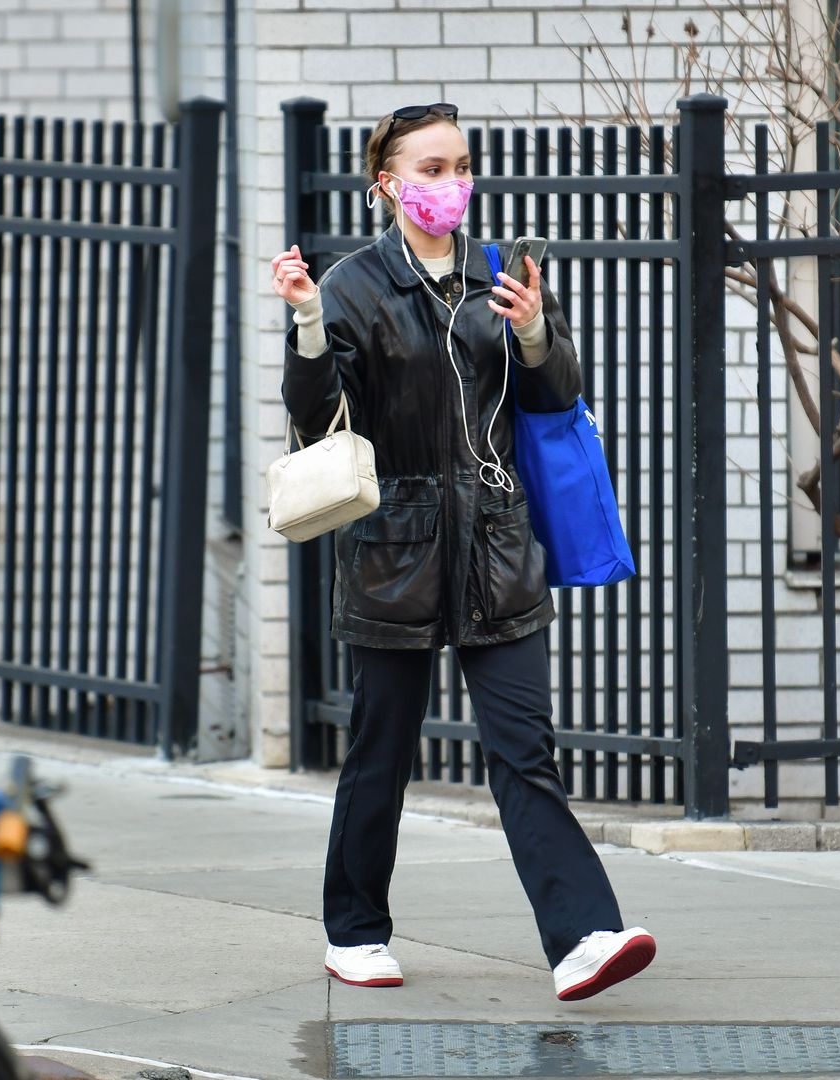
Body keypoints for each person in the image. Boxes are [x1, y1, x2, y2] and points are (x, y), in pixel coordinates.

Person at [271, 103, 655, 1002]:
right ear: (390, 185)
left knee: (525, 750)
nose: (451, 184)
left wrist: (532, 332)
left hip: (496, 544)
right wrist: (307, 323)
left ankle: (584, 937)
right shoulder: (354, 287)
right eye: (432, 168)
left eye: (461, 166)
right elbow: (318, 418)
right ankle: (355, 931)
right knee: (381, 751)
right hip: (394, 552)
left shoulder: (501, 274)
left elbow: (559, 395)